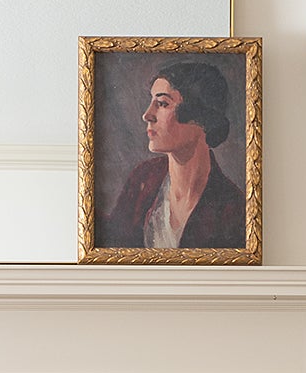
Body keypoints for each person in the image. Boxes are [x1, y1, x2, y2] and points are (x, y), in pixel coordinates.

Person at [98, 61, 246, 250]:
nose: (147, 115)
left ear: (200, 117)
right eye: (152, 102)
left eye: (162, 103)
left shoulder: (232, 210)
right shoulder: (143, 178)